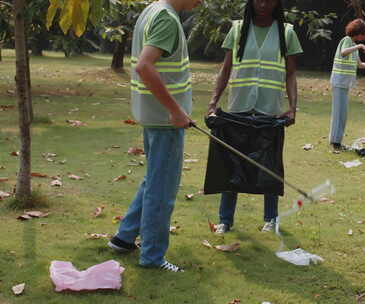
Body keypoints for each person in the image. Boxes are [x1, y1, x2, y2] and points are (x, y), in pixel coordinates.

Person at [107, 0, 202, 273]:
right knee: (162, 190)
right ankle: (152, 258)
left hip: (154, 115)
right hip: (163, 119)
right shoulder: (167, 19)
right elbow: (145, 67)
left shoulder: (154, 10)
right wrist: (175, 111)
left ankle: (124, 238)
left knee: (155, 180)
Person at [207, 0, 303, 234]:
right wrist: (213, 102)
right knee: (232, 164)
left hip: (269, 110)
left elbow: (290, 74)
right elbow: (226, 68)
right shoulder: (238, 29)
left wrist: (292, 107)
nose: (263, 4)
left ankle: (270, 219)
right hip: (238, 108)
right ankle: (225, 221)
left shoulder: (286, 32)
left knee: (269, 165)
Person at [329, 19, 365, 151]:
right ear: (358, 33)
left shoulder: (353, 46)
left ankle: (337, 141)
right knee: (338, 113)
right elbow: (343, 52)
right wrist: (359, 46)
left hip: (345, 84)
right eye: (364, 33)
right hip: (339, 82)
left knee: (343, 114)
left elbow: (359, 64)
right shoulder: (346, 40)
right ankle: (335, 143)